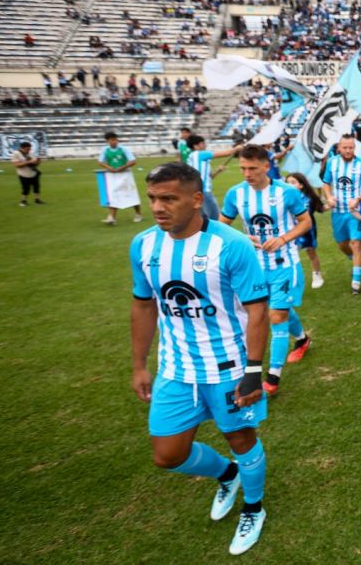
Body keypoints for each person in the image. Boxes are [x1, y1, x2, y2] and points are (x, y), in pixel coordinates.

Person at [129, 162, 271, 555]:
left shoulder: (230, 244)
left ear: (195, 200)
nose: (158, 207)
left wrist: (253, 372)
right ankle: (227, 474)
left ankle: (253, 508)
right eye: (153, 198)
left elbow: (257, 310)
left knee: (240, 437)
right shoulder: (143, 244)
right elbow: (143, 305)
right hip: (175, 370)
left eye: (169, 199)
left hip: (227, 366)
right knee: (167, 455)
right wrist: (140, 364)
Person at [220, 146, 313, 394]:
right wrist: (241, 237)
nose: (247, 173)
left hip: (284, 264)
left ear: (266, 166)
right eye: (243, 168)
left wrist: (283, 238)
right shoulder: (235, 194)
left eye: (252, 168)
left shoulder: (287, 193)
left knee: (275, 316)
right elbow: (222, 226)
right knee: (274, 312)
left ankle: (272, 377)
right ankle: (302, 339)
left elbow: (306, 222)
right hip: (254, 267)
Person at [321, 134, 361, 294]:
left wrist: (358, 199)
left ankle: (355, 283)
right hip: (337, 212)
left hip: (355, 212)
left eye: (351, 147)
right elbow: (325, 183)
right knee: (342, 245)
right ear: (339, 148)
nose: (348, 150)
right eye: (345, 147)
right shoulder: (332, 163)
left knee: (356, 244)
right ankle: (355, 260)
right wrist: (329, 196)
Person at [284, 172, 326, 290]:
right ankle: (289, 278)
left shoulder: (308, 198)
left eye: (293, 182)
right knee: (288, 254)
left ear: (301, 185)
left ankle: (317, 274)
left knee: (310, 252)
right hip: (288, 230)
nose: (290, 185)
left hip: (307, 231)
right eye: (288, 183)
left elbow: (320, 208)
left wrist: (332, 204)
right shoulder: (282, 198)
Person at [185, 135, 239, 220]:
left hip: (195, 192)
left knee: (204, 219)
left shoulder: (191, 157)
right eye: (202, 143)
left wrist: (218, 171)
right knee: (217, 219)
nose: (205, 145)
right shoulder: (200, 154)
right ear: (195, 146)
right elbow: (226, 153)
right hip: (204, 192)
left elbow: (210, 177)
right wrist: (237, 148)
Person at [97, 131, 144, 224]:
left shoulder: (124, 149)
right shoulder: (105, 150)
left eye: (115, 139)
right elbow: (100, 162)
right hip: (112, 176)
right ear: (108, 141)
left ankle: (138, 214)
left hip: (125, 175)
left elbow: (133, 161)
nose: (114, 141)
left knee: (131, 193)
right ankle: (112, 217)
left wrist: (122, 167)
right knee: (112, 195)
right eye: (112, 140)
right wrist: (109, 167)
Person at [11, 141, 43, 206]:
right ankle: (23, 201)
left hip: (33, 173)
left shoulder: (30, 153)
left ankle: (37, 200)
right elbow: (16, 165)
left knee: (36, 187)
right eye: (27, 149)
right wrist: (28, 162)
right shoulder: (16, 153)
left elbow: (35, 164)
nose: (29, 150)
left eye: (29, 149)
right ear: (21, 148)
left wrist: (38, 161)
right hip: (23, 174)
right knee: (26, 188)